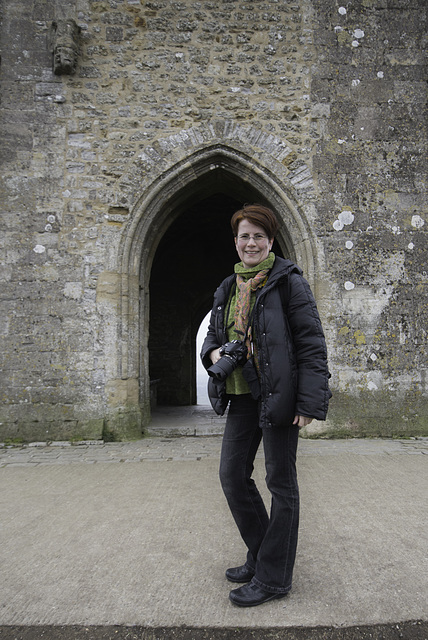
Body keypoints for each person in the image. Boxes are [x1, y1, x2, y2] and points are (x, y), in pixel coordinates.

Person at [200, 203, 331, 607]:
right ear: (236, 243)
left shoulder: (288, 282)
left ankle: (274, 579)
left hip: (280, 396)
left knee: (281, 484)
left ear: (271, 241)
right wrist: (217, 351)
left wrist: (309, 402)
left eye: (259, 235)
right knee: (232, 477)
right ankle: (262, 555)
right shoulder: (227, 287)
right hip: (240, 394)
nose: (251, 242)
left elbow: (311, 343)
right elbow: (209, 343)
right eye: (244, 236)